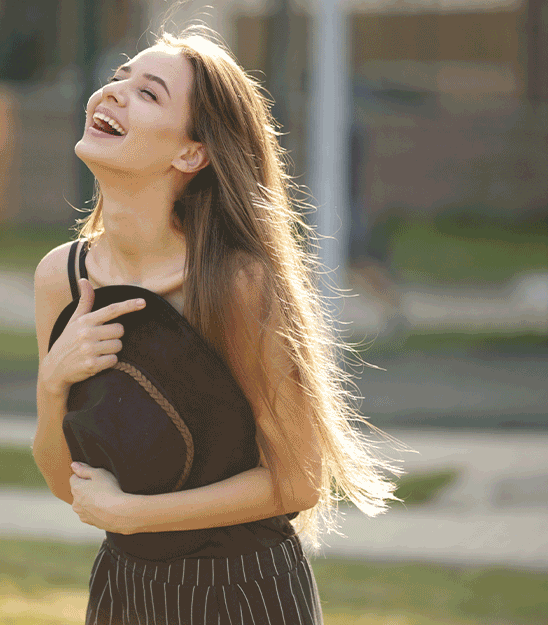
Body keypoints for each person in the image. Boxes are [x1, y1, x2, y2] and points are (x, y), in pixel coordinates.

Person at [32, 24, 401, 625]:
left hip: (244, 592)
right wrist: (53, 383)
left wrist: (135, 516)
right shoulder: (61, 278)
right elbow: (64, 482)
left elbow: (299, 482)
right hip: (125, 591)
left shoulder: (237, 284)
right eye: (120, 77)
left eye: (148, 93)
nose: (113, 92)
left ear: (191, 153)